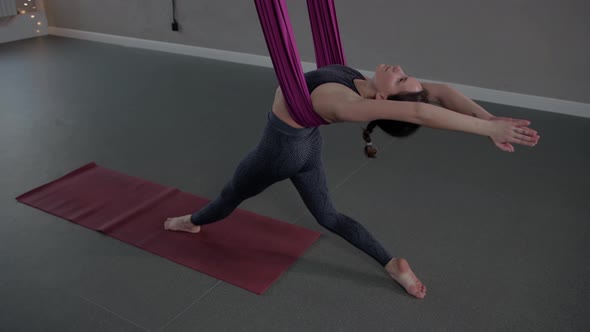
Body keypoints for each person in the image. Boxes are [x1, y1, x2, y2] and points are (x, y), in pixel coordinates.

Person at [164, 64, 540, 299]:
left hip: (278, 154)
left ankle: (192, 223)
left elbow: (419, 109)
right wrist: (490, 120)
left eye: (401, 77)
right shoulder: (361, 85)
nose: (400, 68)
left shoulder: (342, 102)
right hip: (307, 147)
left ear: (383, 97)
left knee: (232, 193)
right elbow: (439, 92)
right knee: (328, 215)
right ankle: (393, 264)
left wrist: (484, 129)